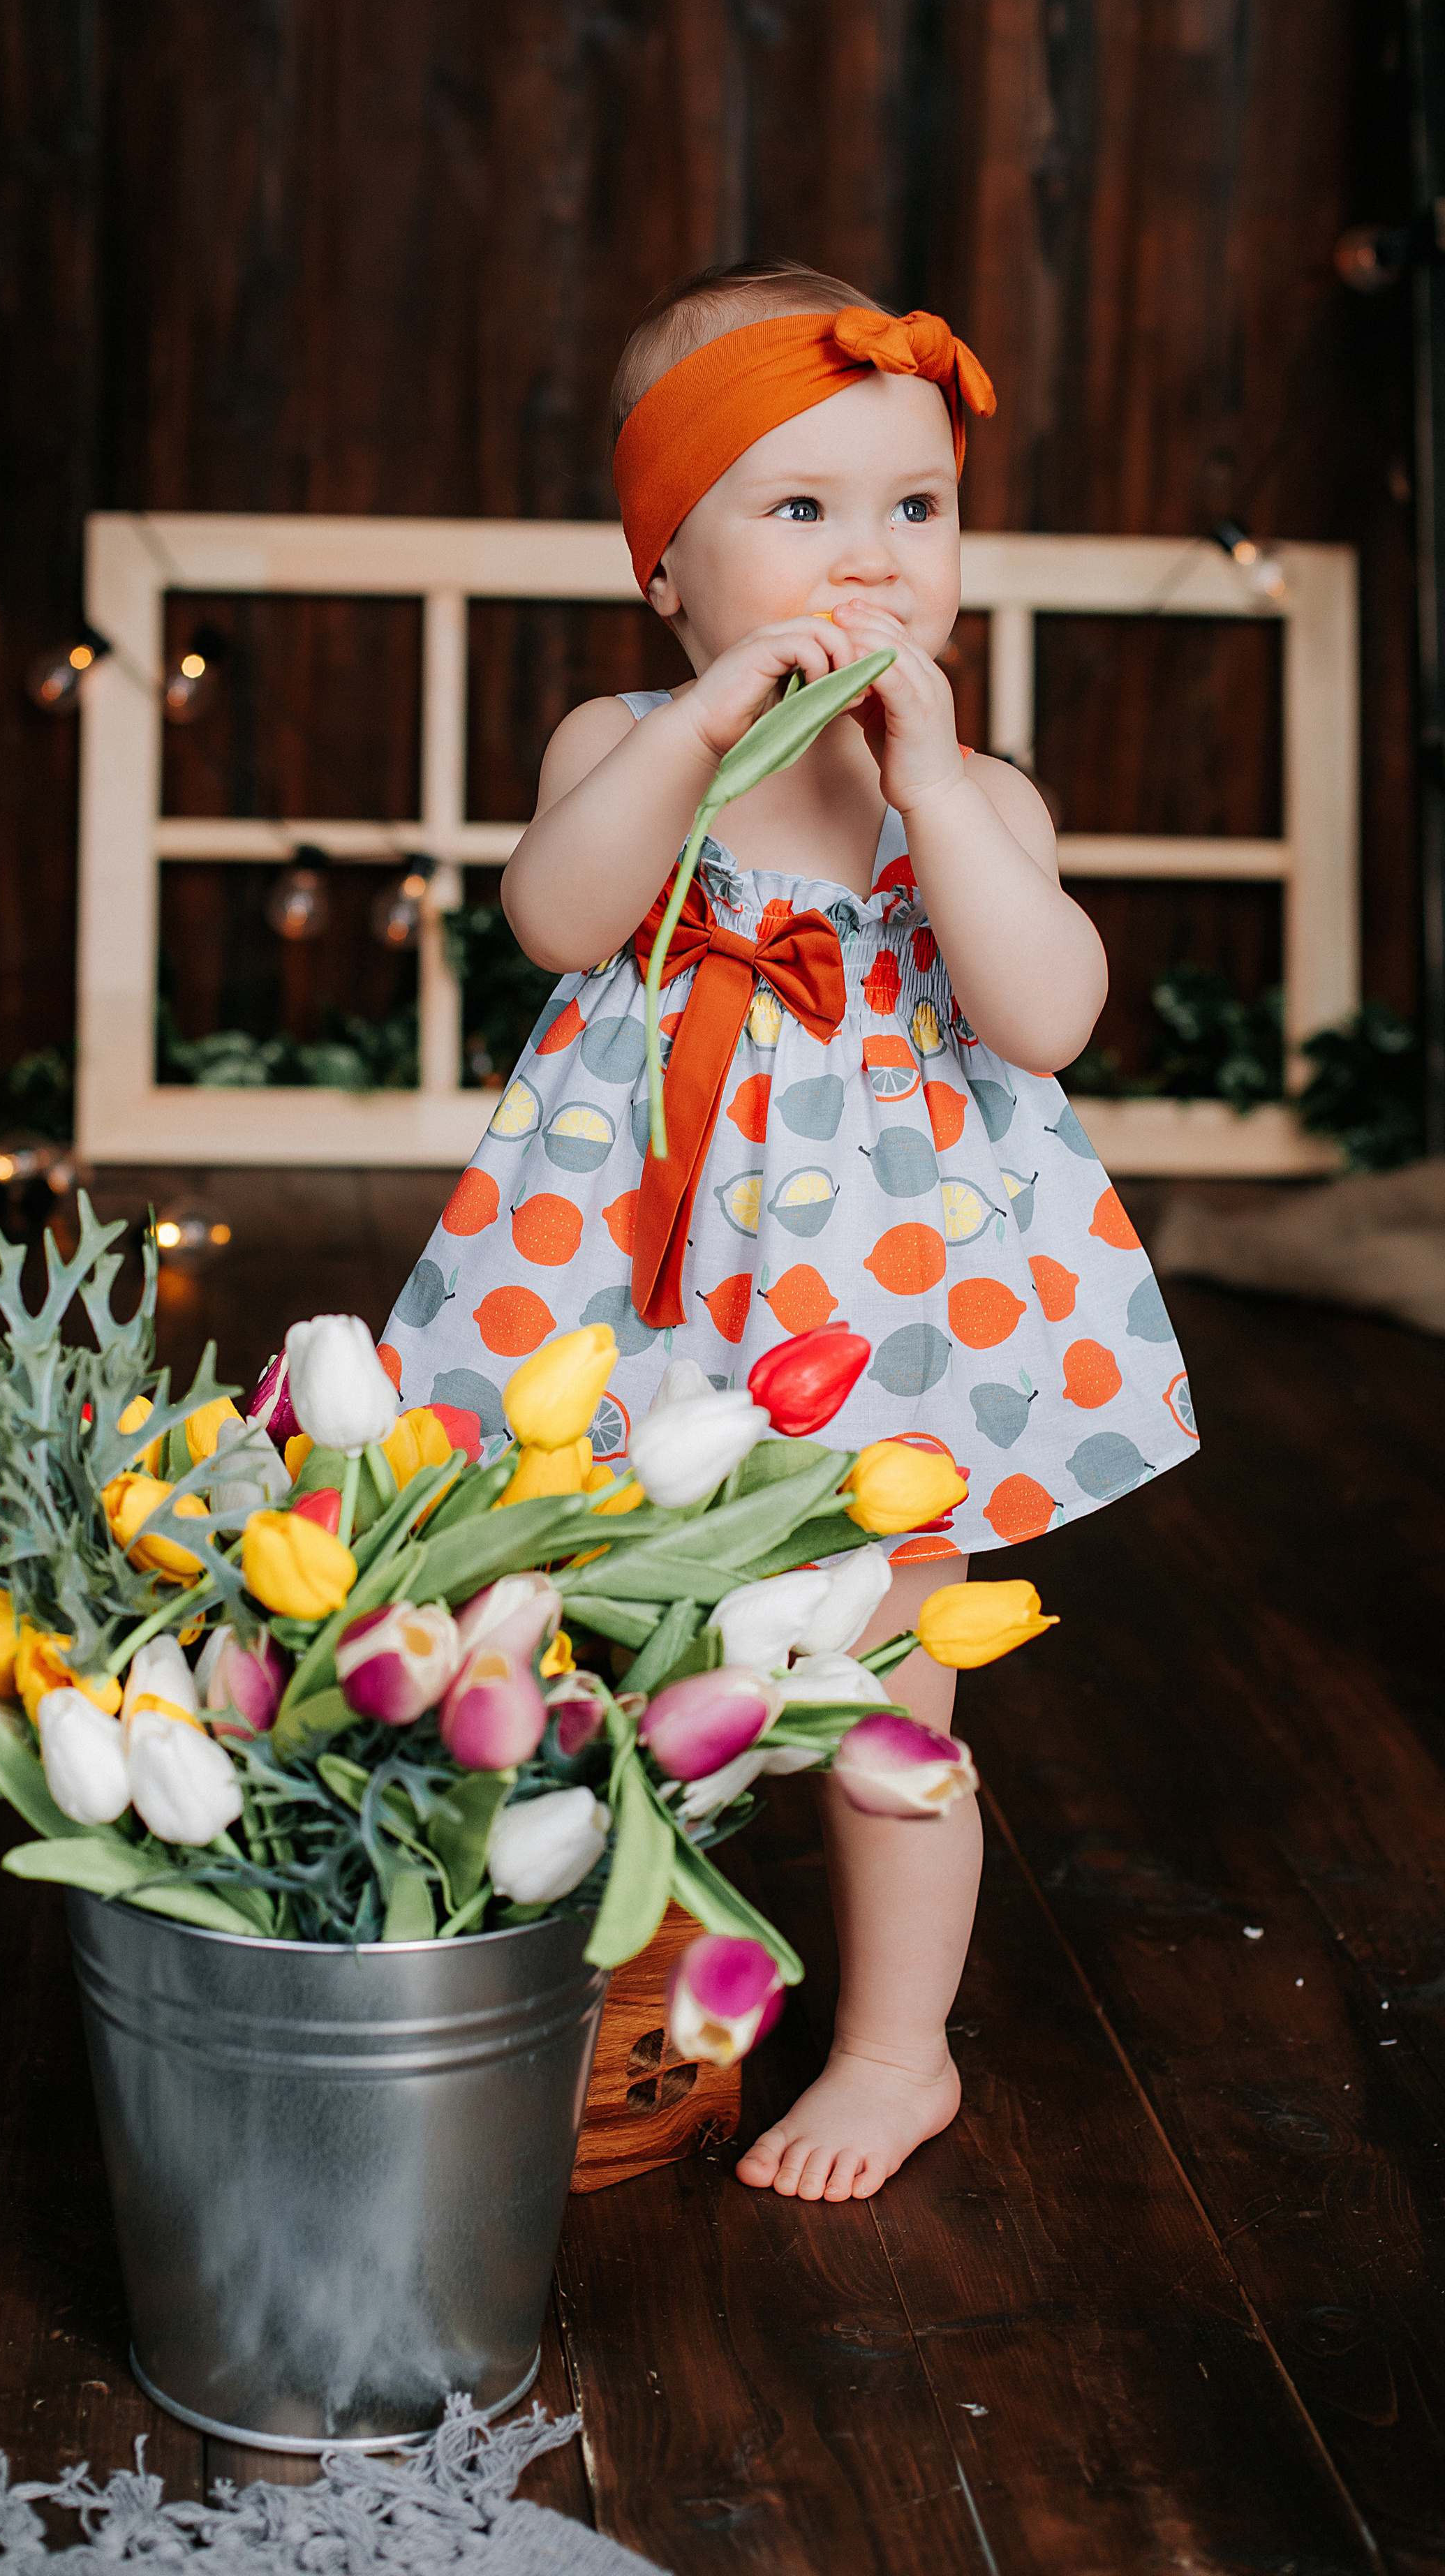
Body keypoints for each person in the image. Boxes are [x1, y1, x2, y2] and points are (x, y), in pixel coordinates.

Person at [382, 258, 1198, 2203]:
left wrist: (930, 789)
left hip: (898, 1327)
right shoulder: (621, 739)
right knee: (561, 1649)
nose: (874, 558)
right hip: (633, 1300)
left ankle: (901, 2050)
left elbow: (1050, 1015)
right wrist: (701, 733)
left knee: (885, 1694)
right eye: (802, 509)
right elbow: (562, 916)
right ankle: (565, 1985)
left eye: (916, 509)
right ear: (669, 565)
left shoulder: (975, 790)